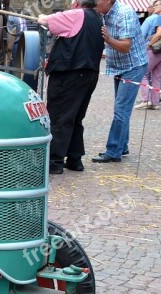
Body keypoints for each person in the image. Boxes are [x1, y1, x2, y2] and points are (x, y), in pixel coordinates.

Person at [38, 0, 104, 174]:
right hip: (89, 74)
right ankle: (75, 159)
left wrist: (41, 16)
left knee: (59, 117)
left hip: (70, 72)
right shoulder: (97, 18)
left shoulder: (76, 15)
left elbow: (46, 21)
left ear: (76, 4)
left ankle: (54, 162)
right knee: (75, 118)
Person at [91, 0, 149, 163]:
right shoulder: (104, 12)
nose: (95, 2)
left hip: (133, 66)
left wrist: (108, 39)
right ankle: (122, 146)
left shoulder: (124, 14)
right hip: (119, 66)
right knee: (121, 108)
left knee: (121, 109)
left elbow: (125, 46)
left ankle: (114, 151)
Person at [134, 0, 161, 110]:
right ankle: (155, 102)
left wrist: (149, 45)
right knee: (157, 76)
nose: (154, 7)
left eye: (156, 5)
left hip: (156, 50)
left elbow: (158, 34)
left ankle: (146, 99)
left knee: (143, 72)